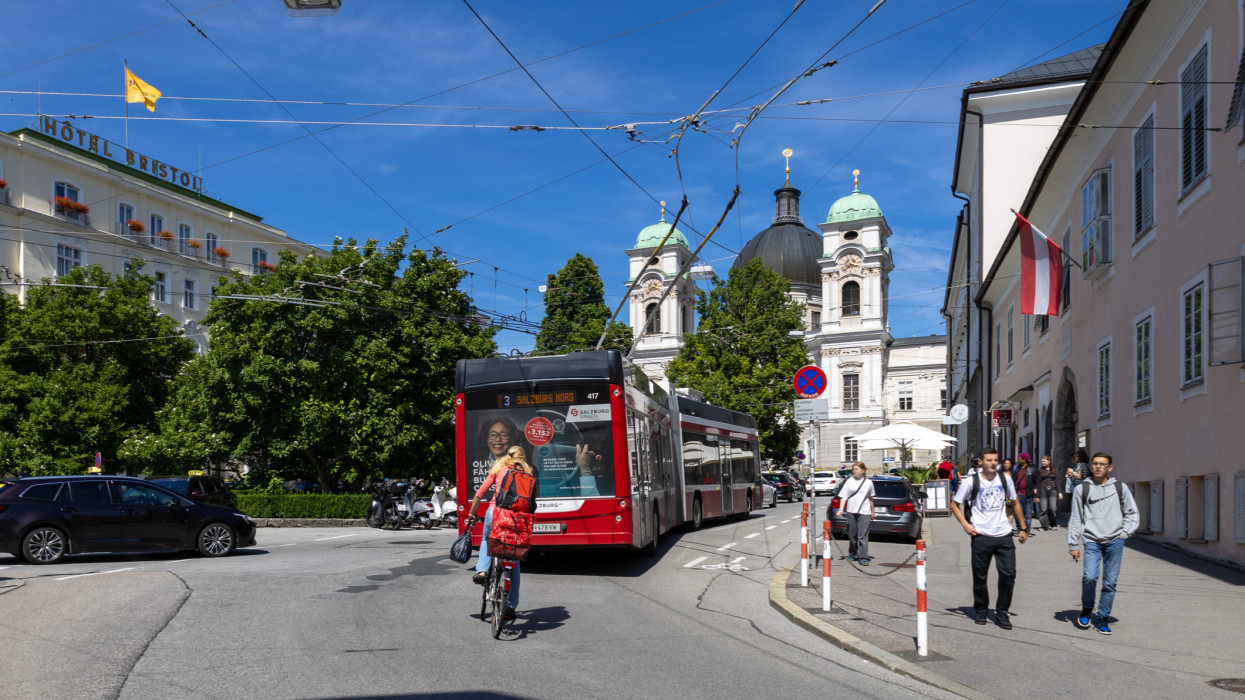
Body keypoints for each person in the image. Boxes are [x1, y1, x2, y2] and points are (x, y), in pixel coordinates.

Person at [949, 447, 1029, 629]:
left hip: (1004, 534)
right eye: (989, 460)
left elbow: (1015, 502)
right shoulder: (971, 482)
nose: (993, 463)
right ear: (981, 462)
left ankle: (1002, 612)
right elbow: (954, 504)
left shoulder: (1004, 479)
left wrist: (1023, 528)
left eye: (995, 460)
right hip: (981, 536)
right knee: (980, 576)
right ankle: (981, 610)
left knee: (1008, 574)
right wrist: (965, 525)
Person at [1067, 452, 1139, 635]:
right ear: (1091, 466)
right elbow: (1076, 518)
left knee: (1110, 582)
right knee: (1090, 577)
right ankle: (1086, 609)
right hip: (1091, 540)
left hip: (1115, 541)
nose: (1098, 467)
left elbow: (1132, 513)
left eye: (1103, 464)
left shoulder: (1119, 487)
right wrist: (1073, 544)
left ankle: (1103, 617)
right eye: (1095, 463)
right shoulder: (1082, 489)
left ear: (1110, 468)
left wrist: (1124, 534)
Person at [467, 446, 537, 621]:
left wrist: (472, 513)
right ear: (523, 457)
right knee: (514, 560)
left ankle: (482, 571)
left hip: (496, 512)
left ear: (508, 455)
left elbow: (480, 493)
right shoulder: (528, 473)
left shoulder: (499, 469)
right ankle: (511, 606)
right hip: (518, 518)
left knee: (486, 539)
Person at [835, 462, 875, 565]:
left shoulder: (868, 483)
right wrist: (840, 509)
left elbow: (870, 498)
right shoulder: (849, 481)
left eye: (856, 469)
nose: (854, 471)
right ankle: (852, 553)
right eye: (853, 469)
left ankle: (863, 557)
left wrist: (872, 511)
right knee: (852, 535)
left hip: (865, 511)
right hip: (851, 511)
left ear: (863, 470)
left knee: (863, 535)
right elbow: (844, 496)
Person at [1015, 453, 1038, 536]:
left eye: (1019, 458)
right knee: (1018, 512)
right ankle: (1019, 529)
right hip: (1018, 494)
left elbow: (1038, 481)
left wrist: (1037, 493)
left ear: (1024, 460)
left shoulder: (1033, 469)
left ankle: (1027, 530)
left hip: (1029, 494)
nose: (1017, 460)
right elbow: (1014, 480)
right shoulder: (1017, 468)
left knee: (1028, 514)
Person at [1037, 456, 1060, 530]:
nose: (1042, 462)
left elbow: (1057, 481)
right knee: (1043, 509)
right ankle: (1044, 526)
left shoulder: (1054, 470)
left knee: (1053, 508)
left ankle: (1052, 524)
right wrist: (1036, 490)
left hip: (1052, 490)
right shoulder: (1040, 470)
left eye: (1044, 461)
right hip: (1043, 490)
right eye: (1042, 461)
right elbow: (1038, 482)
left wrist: (1060, 492)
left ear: (1049, 461)